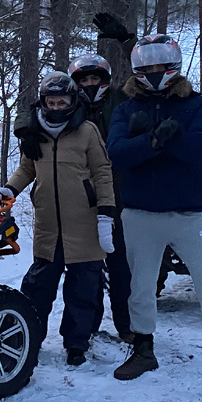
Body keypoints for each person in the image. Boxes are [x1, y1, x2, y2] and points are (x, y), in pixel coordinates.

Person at [107, 34, 202, 402]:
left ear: (174, 66)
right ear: (137, 71)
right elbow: (118, 155)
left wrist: (156, 141)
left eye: (161, 66)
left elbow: (198, 149)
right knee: (139, 288)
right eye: (147, 67)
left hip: (190, 213)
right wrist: (156, 142)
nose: (155, 73)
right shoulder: (125, 108)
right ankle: (143, 350)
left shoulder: (197, 104)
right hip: (139, 212)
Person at [0, 72, 115, 367]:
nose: (57, 106)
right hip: (49, 225)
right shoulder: (34, 131)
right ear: (43, 102)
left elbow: (102, 172)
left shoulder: (87, 130)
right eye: (51, 101)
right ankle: (30, 336)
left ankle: (76, 342)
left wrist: (105, 213)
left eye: (62, 101)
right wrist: (10, 189)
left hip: (85, 223)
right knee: (39, 285)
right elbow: (27, 169)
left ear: (72, 101)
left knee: (83, 287)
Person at [70, 51, 134, 343]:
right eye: (84, 79)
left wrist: (127, 43)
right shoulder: (69, 107)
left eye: (95, 78)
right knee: (88, 266)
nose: (90, 84)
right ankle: (90, 326)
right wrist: (24, 126)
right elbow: (38, 109)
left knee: (120, 264)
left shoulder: (119, 101)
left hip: (119, 192)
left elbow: (141, 83)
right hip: (83, 196)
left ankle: (127, 325)